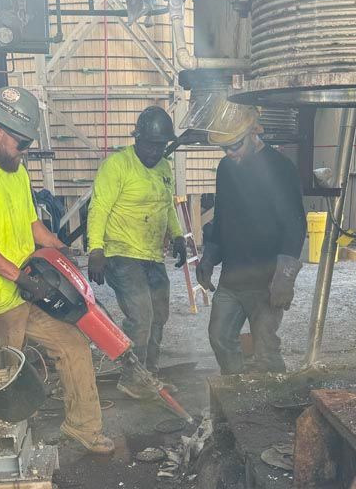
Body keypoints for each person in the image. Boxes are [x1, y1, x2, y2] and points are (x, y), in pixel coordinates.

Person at [0, 85, 114, 456]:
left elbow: (29, 221)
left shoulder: (14, 168)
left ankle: (83, 426)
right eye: (21, 144)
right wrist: (21, 278)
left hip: (26, 288)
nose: (24, 152)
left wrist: (58, 246)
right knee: (0, 383)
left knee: (73, 346)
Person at [195, 101, 306, 374]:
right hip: (233, 278)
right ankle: (236, 395)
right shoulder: (226, 168)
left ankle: (275, 406)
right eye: (225, 147)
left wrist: (285, 277)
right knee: (220, 338)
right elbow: (222, 219)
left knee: (265, 350)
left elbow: (294, 224)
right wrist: (209, 256)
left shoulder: (281, 168)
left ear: (254, 132)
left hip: (266, 281)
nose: (230, 153)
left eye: (236, 145)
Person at [86, 106, 187, 399]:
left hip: (152, 255)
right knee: (141, 316)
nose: (156, 152)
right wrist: (96, 249)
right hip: (120, 253)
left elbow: (167, 205)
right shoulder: (117, 165)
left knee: (159, 315)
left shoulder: (164, 168)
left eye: (161, 146)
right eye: (151, 145)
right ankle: (131, 378)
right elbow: (99, 207)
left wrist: (178, 235)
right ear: (138, 139)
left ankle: (149, 374)